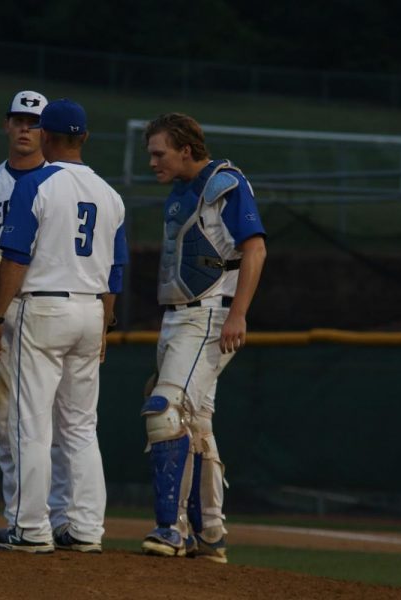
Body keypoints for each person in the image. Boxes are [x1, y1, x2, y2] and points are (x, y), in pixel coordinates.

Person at [0, 99, 128, 554]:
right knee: (82, 426)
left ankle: (30, 528)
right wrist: (105, 321)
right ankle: (86, 529)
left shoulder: (37, 184)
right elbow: (117, 267)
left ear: (45, 135)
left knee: (31, 423)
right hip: (90, 309)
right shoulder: (109, 193)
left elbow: (15, 257)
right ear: (84, 137)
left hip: (43, 309)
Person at [139, 113, 266, 563]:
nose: (152, 161)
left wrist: (239, 314)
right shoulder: (178, 194)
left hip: (210, 315)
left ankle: (171, 530)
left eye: (159, 153)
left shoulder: (223, 183)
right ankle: (210, 533)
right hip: (178, 318)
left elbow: (255, 248)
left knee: (164, 409)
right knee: (197, 423)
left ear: (186, 149)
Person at [0, 90, 70, 535]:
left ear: (48, 130)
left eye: (34, 121)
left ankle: (58, 517)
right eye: (18, 120)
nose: (25, 128)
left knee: (58, 420)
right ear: (6, 125)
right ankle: (21, 515)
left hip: (43, 304)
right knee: (7, 422)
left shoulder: (59, 182)